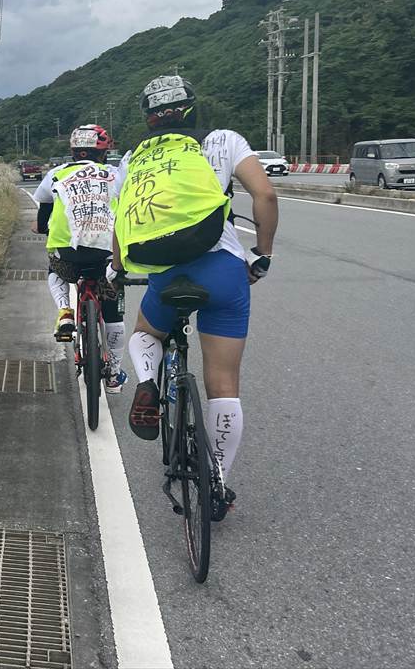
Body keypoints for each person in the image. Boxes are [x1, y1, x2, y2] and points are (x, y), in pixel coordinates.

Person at [108, 75, 278, 520]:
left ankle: (148, 381)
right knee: (223, 384)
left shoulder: (133, 157)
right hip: (223, 270)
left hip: (166, 272)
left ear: (148, 117)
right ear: (191, 107)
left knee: (146, 332)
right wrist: (262, 255)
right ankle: (216, 481)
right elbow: (264, 193)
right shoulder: (224, 140)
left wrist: (118, 267)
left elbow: (121, 217)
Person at [32, 124, 127, 392]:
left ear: (74, 151)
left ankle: (65, 311)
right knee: (113, 311)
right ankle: (114, 375)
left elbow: (43, 216)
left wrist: (42, 228)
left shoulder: (57, 173)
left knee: (55, 270)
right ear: (104, 152)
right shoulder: (116, 174)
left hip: (68, 253)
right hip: (107, 253)